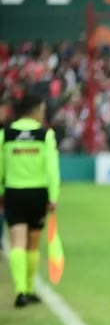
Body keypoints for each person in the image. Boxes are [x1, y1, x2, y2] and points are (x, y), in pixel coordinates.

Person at [1, 93, 60, 307]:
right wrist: (53, 196)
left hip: (14, 192)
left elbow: (0, 166)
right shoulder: (45, 135)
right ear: (35, 109)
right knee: (33, 244)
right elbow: (52, 169)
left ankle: (20, 291)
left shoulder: (6, 134)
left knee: (17, 240)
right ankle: (28, 287)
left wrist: (0, 190)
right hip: (37, 193)